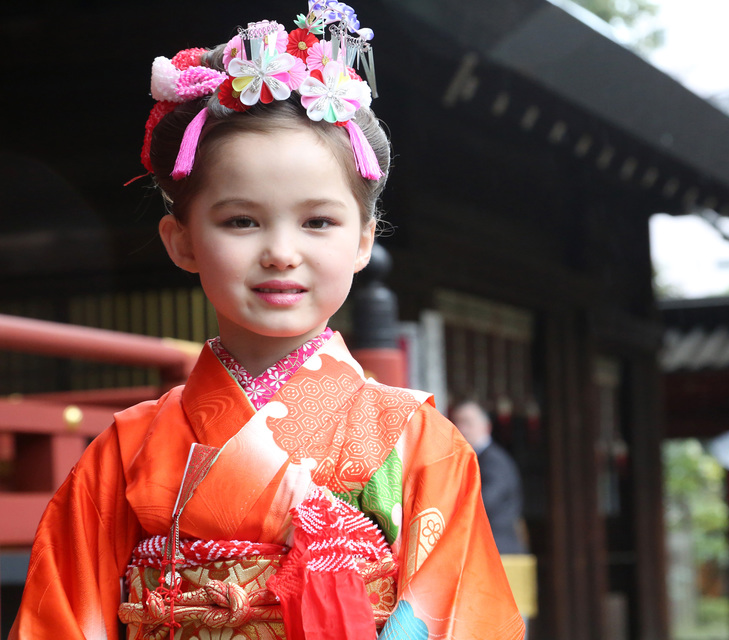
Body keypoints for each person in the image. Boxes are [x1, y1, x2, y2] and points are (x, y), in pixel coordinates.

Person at [10, 4, 524, 639]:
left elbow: (461, 618)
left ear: (364, 240)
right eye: (241, 221)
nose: (282, 250)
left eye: (318, 221)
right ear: (182, 241)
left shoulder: (419, 443)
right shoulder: (124, 451)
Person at [450, 400, 527, 555]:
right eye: (457, 423)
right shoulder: (469, 459)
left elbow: (482, 502)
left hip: (497, 547)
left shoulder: (494, 462)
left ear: (486, 427)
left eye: (467, 422)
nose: (461, 429)